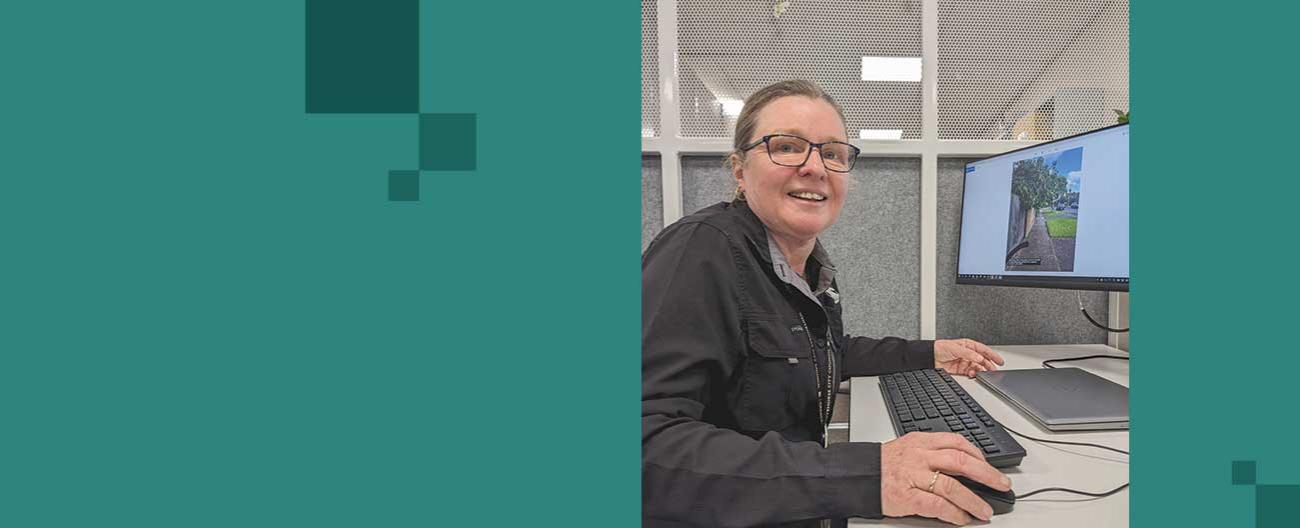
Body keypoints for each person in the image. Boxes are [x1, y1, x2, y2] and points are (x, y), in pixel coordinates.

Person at [642, 80, 1012, 527]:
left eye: (833, 153)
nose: (815, 167)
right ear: (739, 171)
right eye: (787, 146)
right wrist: (865, 474)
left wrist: (929, 352)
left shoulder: (808, 269)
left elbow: (822, 352)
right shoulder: (701, 252)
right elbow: (645, 445)